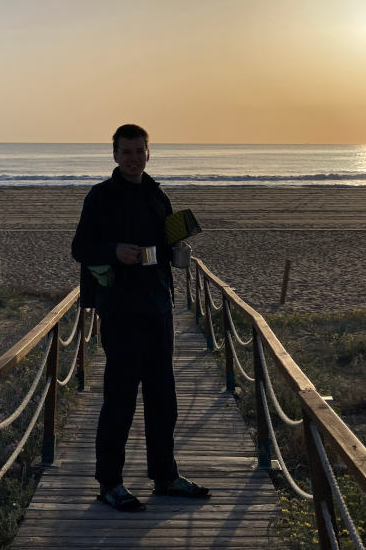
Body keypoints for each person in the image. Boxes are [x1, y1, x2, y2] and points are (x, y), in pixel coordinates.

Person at [71, 124, 210, 512]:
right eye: (126, 152)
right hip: (120, 309)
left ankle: (165, 476)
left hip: (158, 307)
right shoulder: (100, 197)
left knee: (163, 397)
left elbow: (165, 244)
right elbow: (80, 247)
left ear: (149, 153)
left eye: (139, 151)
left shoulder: (156, 195)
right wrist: (115, 250)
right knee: (120, 400)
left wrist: (177, 246)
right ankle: (109, 483)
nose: (133, 158)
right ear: (114, 155)